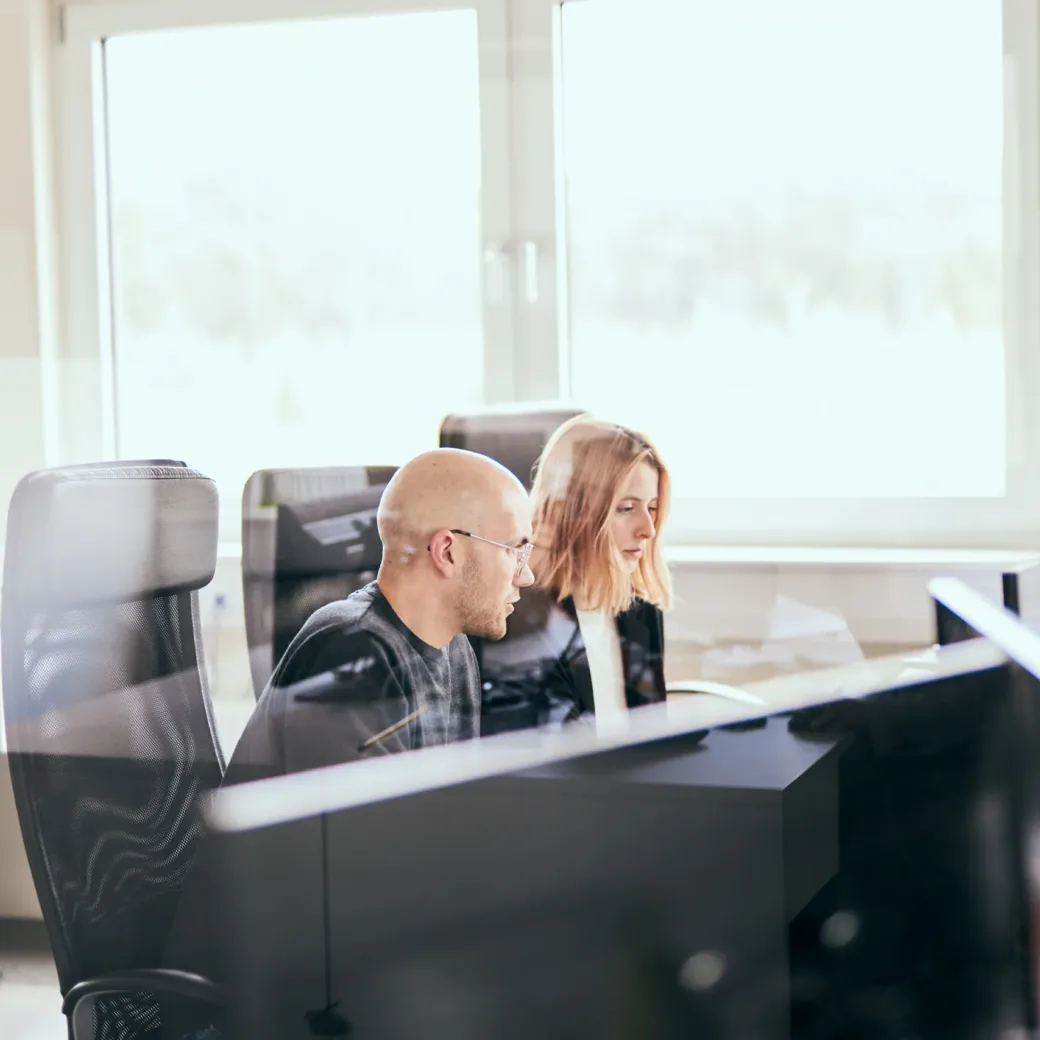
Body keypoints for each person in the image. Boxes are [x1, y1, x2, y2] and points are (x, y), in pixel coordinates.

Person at [225, 446, 536, 784]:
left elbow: (448, 810)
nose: (526, 576)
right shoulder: (353, 657)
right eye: (514, 551)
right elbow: (363, 834)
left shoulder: (455, 649)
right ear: (447, 552)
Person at [481, 415, 672, 731]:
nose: (648, 530)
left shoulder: (640, 614)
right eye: (626, 508)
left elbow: (650, 745)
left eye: (651, 507)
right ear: (575, 511)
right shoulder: (514, 618)